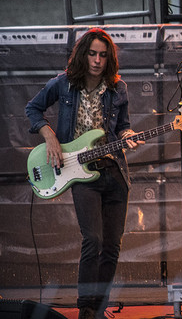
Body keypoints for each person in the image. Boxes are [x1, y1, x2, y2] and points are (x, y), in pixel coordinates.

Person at [25, 28, 143, 319]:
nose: (97, 60)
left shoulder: (118, 88)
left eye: (103, 55)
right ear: (82, 54)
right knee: (93, 240)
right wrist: (49, 135)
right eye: (92, 53)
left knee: (112, 247)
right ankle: (85, 308)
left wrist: (128, 135)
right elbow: (33, 108)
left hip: (114, 172)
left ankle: (99, 308)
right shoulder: (63, 85)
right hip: (82, 173)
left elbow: (123, 126)